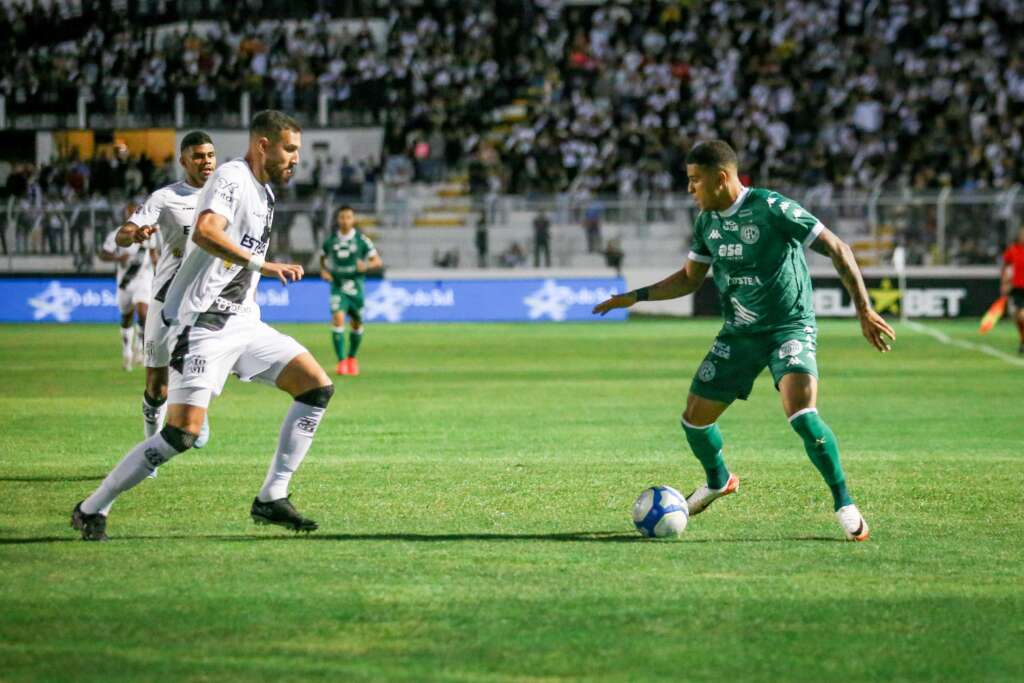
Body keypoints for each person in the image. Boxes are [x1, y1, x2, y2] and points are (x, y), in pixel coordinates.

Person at [593, 140, 895, 541]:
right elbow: (688, 278)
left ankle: (844, 502)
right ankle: (718, 481)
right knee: (694, 420)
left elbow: (838, 248)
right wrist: (634, 296)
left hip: (789, 326)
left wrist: (864, 309)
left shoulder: (772, 209)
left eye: (695, 180)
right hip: (739, 333)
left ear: (722, 178)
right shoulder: (706, 223)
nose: (690, 189)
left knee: (801, 412)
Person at [71, 110, 334, 541]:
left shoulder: (265, 192)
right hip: (201, 323)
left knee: (316, 387)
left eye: (298, 151)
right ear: (263, 145)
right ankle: (92, 507)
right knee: (181, 434)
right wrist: (261, 263)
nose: (295, 159)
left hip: (244, 322)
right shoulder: (232, 177)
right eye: (290, 149)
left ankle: (272, 495)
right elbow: (206, 231)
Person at [113, 131, 217, 458]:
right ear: (183, 160)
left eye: (211, 155)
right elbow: (123, 234)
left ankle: (195, 409)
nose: (206, 162)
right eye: (198, 156)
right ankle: (150, 447)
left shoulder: (228, 197)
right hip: (165, 299)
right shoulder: (166, 197)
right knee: (156, 386)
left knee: (208, 362)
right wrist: (134, 233)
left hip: (207, 301)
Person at [320, 205, 382, 376]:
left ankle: (351, 359)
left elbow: (377, 261)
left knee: (356, 323)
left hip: (356, 288)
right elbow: (322, 259)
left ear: (353, 219)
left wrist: (367, 265)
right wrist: (324, 271)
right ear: (337, 220)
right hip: (338, 287)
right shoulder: (331, 241)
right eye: (342, 217)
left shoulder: (362, 241)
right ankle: (341, 362)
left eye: (348, 217)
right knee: (338, 319)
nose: (345, 221)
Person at [98, 203, 155, 372]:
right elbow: (103, 253)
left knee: (144, 313)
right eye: (129, 214)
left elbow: (153, 254)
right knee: (126, 318)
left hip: (144, 279)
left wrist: (160, 273)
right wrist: (117, 259)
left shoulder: (148, 233)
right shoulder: (116, 235)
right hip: (125, 282)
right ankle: (127, 351)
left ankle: (142, 347)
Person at [1000, 226, 1024, 354]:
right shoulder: (1013, 250)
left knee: (1022, 315)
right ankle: (1022, 340)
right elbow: (1006, 267)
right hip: (1016, 287)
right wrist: (1004, 283)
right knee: (1016, 316)